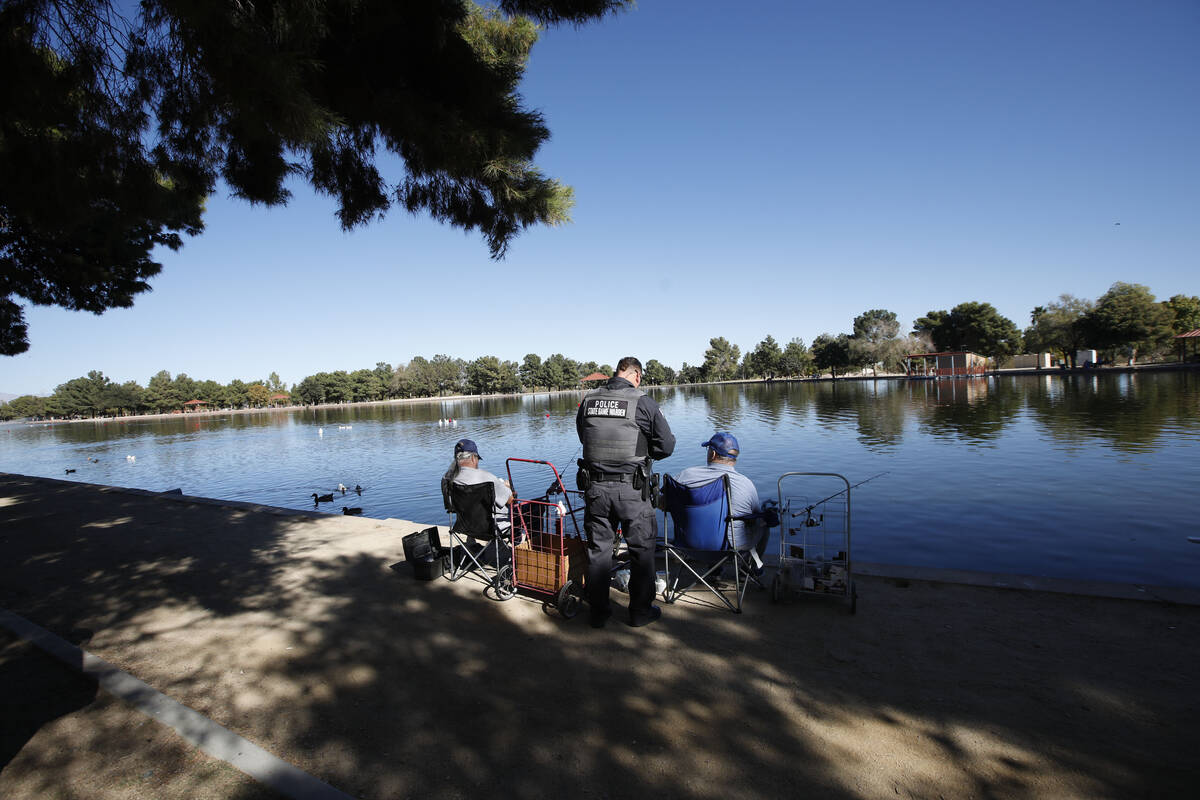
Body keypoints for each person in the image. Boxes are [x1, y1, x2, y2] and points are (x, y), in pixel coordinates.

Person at [576, 356, 676, 628]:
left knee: (599, 551)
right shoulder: (642, 401)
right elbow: (666, 445)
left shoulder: (589, 400)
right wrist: (641, 453)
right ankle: (639, 613)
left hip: (595, 489)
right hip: (632, 489)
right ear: (637, 376)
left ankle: (598, 613)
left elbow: (583, 436)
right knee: (641, 551)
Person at [675, 432, 769, 567]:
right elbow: (756, 518)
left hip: (687, 546)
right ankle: (750, 569)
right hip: (730, 550)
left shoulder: (685, 475)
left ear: (713, 454)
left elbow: (663, 504)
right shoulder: (745, 484)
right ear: (734, 458)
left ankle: (714, 571)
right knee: (764, 524)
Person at [444, 438, 512, 535]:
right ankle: (519, 545)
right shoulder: (488, 478)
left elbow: (450, 506)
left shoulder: (448, 479)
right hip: (493, 529)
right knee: (534, 509)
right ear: (472, 458)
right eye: (477, 459)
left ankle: (471, 546)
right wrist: (508, 488)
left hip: (463, 527)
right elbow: (511, 502)